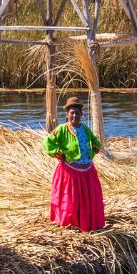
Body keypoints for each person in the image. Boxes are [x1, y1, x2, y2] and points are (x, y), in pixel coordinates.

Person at [43, 97, 105, 232]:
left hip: (87, 168)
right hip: (70, 170)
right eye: (72, 113)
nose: (74, 115)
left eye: (77, 113)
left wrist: (96, 147)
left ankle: (86, 222)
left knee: (88, 198)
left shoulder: (85, 128)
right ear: (67, 115)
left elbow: (95, 140)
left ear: (81, 115)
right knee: (71, 198)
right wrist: (57, 153)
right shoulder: (62, 129)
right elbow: (48, 143)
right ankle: (70, 222)